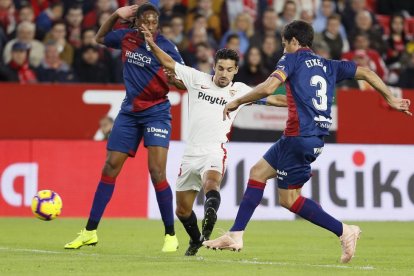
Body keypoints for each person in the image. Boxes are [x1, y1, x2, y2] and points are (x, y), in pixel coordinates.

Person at [203, 20, 412, 263]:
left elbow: (270, 87)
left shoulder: (291, 60)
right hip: (305, 137)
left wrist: (238, 101)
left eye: (284, 44)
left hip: (298, 138)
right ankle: (236, 234)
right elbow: (366, 72)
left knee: (289, 200)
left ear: (293, 41)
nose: (283, 50)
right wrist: (390, 99)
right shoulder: (328, 65)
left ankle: (345, 231)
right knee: (258, 172)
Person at [140, 24, 288, 256]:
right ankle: (196, 239)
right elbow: (168, 62)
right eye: (220, 68)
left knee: (211, 184)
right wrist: (151, 43)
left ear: (236, 71)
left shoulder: (240, 91)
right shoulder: (197, 79)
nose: (224, 74)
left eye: (229, 70)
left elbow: (274, 100)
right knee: (182, 210)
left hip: (214, 150)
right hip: (190, 153)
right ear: (214, 67)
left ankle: (210, 215)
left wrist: (301, 101)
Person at [64, 3, 185, 253]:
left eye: (154, 22)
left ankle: (170, 235)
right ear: (137, 22)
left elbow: (184, 83)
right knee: (109, 167)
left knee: (156, 172)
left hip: (157, 112)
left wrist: (175, 79)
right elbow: (99, 37)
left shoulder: (167, 47)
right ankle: (89, 232)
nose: (150, 26)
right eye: (146, 21)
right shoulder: (126, 37)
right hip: (129, 112)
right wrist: (115, 16)